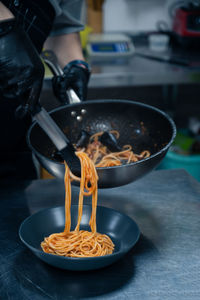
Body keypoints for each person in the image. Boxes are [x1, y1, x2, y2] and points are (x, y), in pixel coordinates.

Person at [0, 0, 90, 179]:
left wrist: (75, 66)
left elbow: (62, 28)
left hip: (14, 120)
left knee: (15, 200)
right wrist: (4, 31)